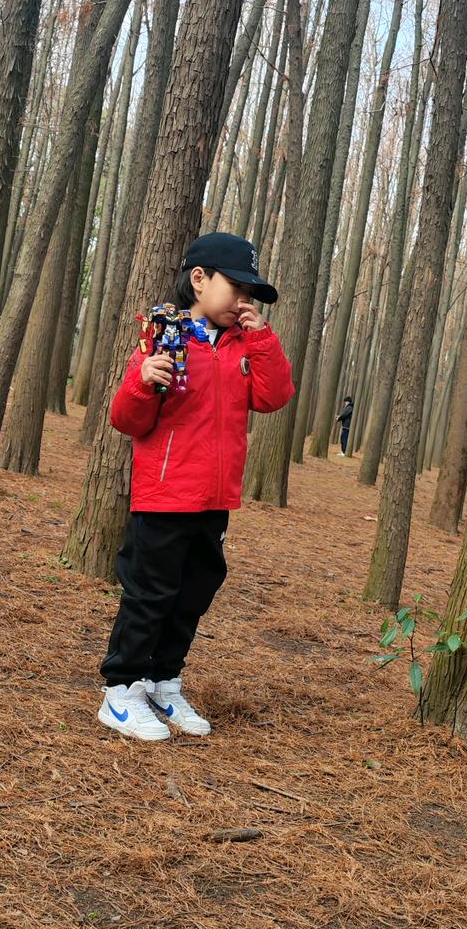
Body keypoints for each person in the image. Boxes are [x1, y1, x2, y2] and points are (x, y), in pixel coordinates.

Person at [97, 232, 295, 741]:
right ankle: (121, 692)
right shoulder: (164, 337)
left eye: (252, 294)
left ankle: (164, 681)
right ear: (200, 279)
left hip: (216, 498)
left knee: (193, 594)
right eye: (238, 288)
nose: (244, 301)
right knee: (151, 593)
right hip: (165, 495)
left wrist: (262, 341)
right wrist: (144, 379)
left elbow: (274, 398)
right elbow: (127, 420)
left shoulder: (240, 348)